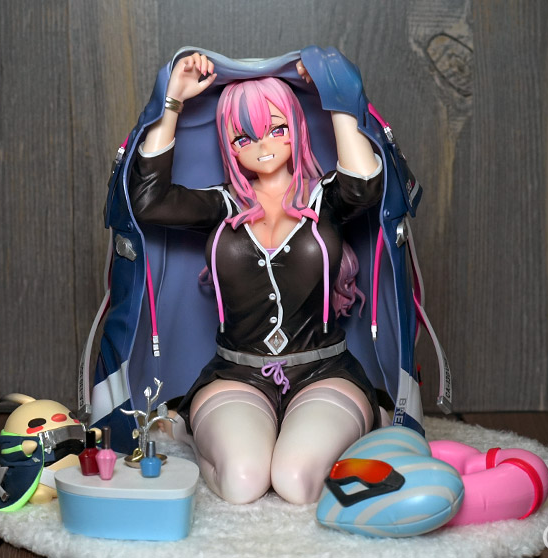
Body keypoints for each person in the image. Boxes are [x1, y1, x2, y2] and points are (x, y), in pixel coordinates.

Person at [128, 53, 385, 505]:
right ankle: (191, 430)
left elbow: (366, 182)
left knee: (296, 481)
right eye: (244, 136)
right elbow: (148, 202)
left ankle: (365, 422)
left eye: (277, 128)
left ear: (296, 127)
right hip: (236, 373)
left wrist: (339, 94)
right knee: (243, 481)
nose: (262, 145)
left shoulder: (326, 197)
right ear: (229, 145)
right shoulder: (223, 205)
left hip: (325, 370)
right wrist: (171, 102)